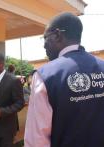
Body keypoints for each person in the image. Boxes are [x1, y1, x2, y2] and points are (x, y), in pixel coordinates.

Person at [24, 12, 104, 147]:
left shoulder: (45, 75)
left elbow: (36, 140)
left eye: (45, 38)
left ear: (57, 35)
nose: (44, 45)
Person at [0, 53, 24, 147]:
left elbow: (20, 103)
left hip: (6, 129)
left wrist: (2, 111)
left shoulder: (13, 80)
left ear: (2, 64)